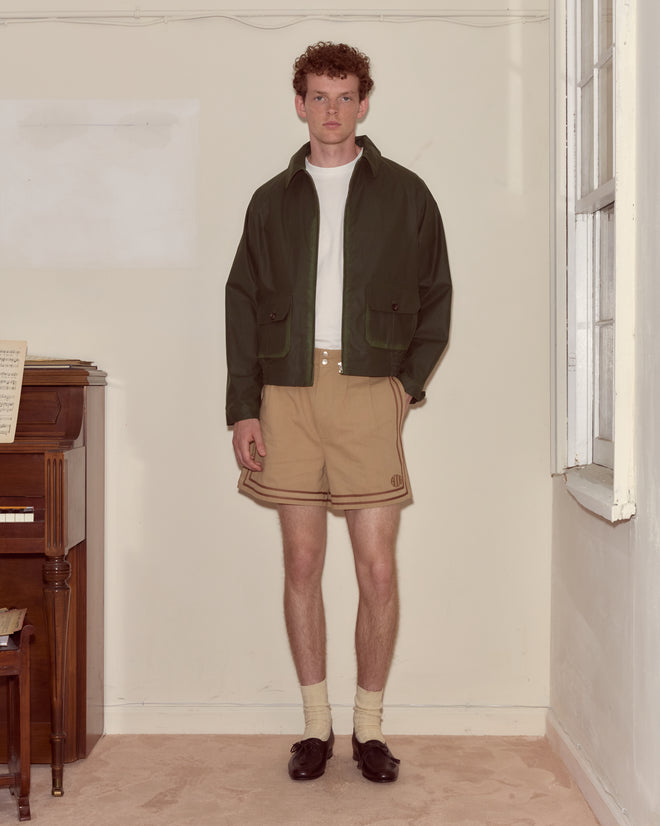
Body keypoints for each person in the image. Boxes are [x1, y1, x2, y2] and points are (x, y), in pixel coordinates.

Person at [225, 41, 452, 783]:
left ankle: (371, 729)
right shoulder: (270, 200)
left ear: (363, 102)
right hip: (286, 393)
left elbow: (435, 296)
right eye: (318, 96)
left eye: (344, 95)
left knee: (377, 568)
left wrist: (402, 387)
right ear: (300, 103)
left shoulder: (406, 193)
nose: (331, 109)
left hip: (367, 391)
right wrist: (243, 407)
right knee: (301, 561)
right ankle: (316, 728)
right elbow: (240, 304)